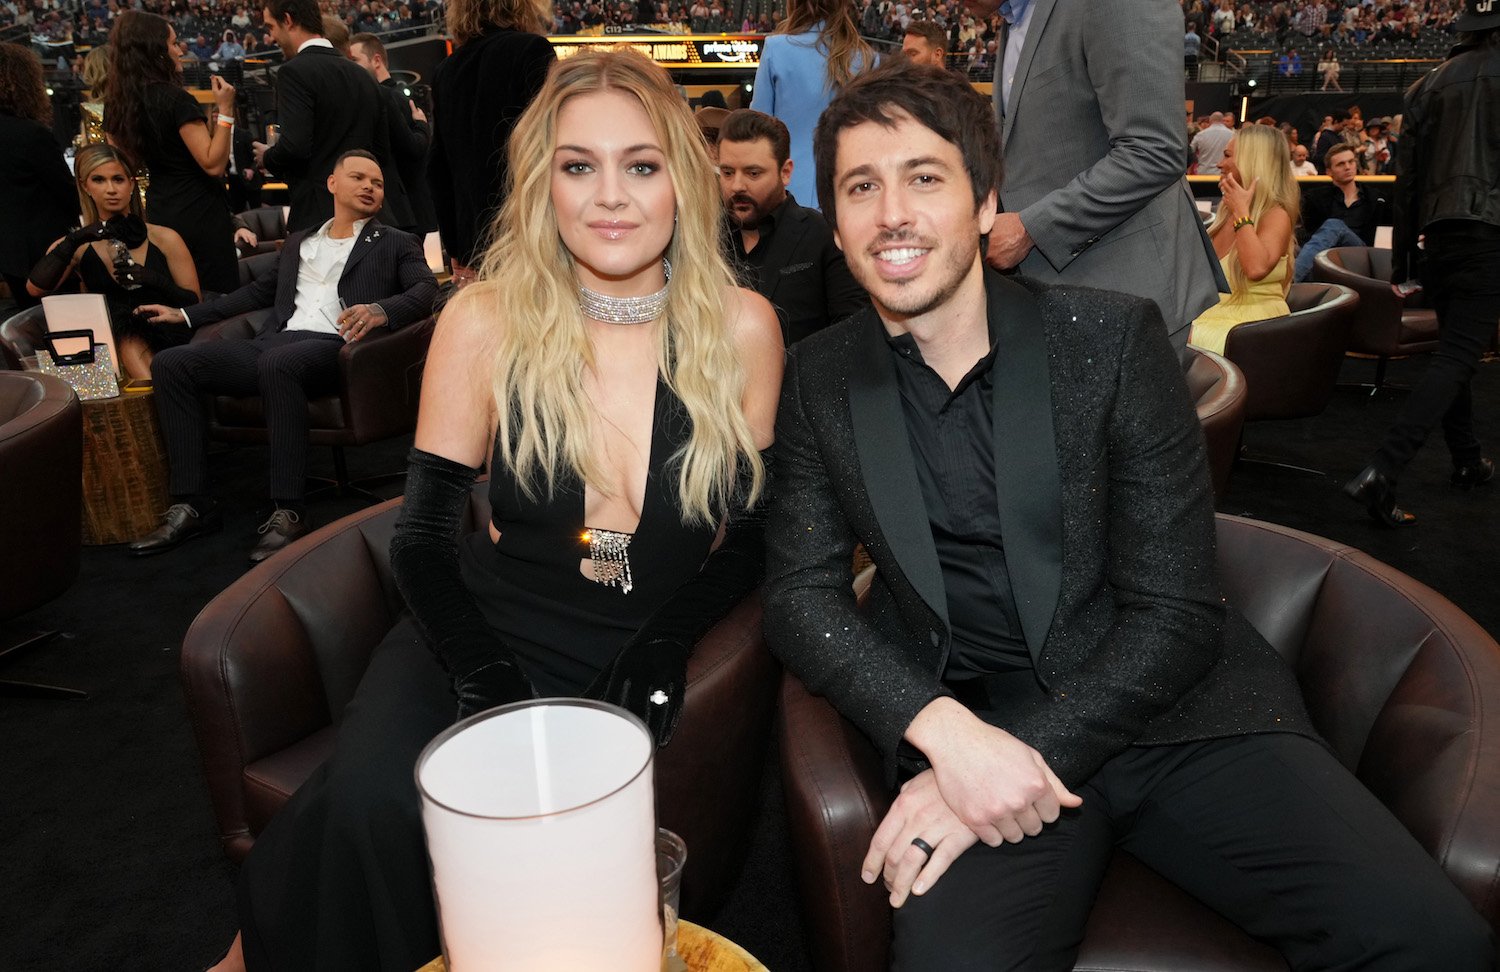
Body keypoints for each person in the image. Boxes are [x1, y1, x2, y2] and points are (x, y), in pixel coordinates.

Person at [764, 59, 1494, 971]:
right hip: (975, 724)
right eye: (861, 187)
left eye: (924, 178)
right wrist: (946, 735)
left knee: (1435, 946)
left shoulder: (1108, 340)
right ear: (834, 225)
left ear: (986, 203)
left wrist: (1017, 757)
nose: (892, 213)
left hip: (1178, 716)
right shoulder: (821, 377)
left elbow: (1179, 614)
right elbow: (800, 596)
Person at [205, 50, 781, 972]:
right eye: (576, 166)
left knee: (519, 871)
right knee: (373, 805)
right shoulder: (487, 321)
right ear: (540, 185)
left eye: (641, 164)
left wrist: (670, 639)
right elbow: (427, 536)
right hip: (473, 633)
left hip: (625, 653)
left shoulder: (744, 327)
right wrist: (477, 669)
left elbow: (750, 535)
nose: (611, 196)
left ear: (683, 179)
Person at [128, 152, 438, 563]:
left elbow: (425, 290)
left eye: (377, 183)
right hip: (278, 341)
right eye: (358, 177)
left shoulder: (397, 242)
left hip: (339, 347)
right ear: (332, 184)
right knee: (173, 363)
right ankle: (193, 504)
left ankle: (289, 510)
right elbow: (256, 293)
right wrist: (186, 314)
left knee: (279, 365)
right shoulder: (301, 241)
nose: (368, 187)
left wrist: (380, 310)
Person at [977, 0, 1223, 348]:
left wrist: (1029, 228)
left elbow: (1154, 150)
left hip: (1130, 299)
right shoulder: (1012, 19)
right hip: (1060, 306)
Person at [1343, 2, 1500, 528]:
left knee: (1453, 348)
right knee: (1457, 355)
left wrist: (1406, 262)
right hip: (1489, 235)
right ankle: (1383, 470)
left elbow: (1405, 188)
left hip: (1440, 240)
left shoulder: (1424, 88)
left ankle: (1466, 460)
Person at [26, 144, 201, 378]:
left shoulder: (165, 238)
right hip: (104, 345)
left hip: (167, 333)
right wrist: (75, 239)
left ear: (131, 184)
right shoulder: (77, 246)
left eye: (118, 179)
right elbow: (35, 288)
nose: (111, 189)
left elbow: (194, 303)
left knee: (132, 340)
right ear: (85, 186)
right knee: (127, 340)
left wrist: (154, 280)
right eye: (99, 180)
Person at [103, 11, 241, 296]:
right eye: (174, 43)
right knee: (216, 299)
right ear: (156, 51)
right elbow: (213, 164)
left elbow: (124, 165)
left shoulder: (116, 105)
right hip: (201, 213)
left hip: (161, 212)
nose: (180, 50)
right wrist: (226, 111)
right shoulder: (176, 99)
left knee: (179, 298)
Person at [427, 0, 555, 284]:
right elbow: (550, 143)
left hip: (475, 242)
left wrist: (457, 244)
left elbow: (438, 167)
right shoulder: (532, 50)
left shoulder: (446, 70)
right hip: (528, 229)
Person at [716, 108, 867, 345]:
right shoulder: (703, 237)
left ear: (785, 172)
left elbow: (853, 332)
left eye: (753, 173)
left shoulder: (823, 235)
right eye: (727, 172)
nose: (737, 186)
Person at [252, 0, 387, 233]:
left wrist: (268, 157)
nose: (271, 37)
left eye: (270, 27)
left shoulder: (294, 72)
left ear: (288, 20)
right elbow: (381, 148)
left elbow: (295, 147)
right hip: (369, 216)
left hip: (319, 219)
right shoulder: (363, 76)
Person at [750, 0, 873, 210]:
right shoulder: (868, 58)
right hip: (854, 193)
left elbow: (757, 132)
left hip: (789, 195)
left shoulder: (776, 49)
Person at [1188, 125, 1297, 354]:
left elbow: (1256, 268)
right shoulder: (1226, 213)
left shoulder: (1276, 214)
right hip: (1217, 316)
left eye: (1227, 155)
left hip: (1250, 328)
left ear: (1251, 161)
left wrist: (1241, 212)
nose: (1219, 163)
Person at [0, 42, 75, 310]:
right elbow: (67, 192)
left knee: (30, 325)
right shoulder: (32, 134)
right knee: (64, 325)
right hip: (46, 253)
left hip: (9, 253)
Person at [349, 32, 438, 235]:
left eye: (355, 60)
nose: (351, 67)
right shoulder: (383, 97)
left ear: (377, 60)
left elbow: (411, 149)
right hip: (400, 208)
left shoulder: (390, 98)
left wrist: (422, 128)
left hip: (407, 208)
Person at [1293, 141, 1383, 281]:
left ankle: (1290, 283)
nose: (1348, 167)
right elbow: (1306, 235)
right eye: (1341, 164)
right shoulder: (1316, 198)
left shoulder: (1375, 198)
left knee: (1334, 226)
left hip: (1359, 255)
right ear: (1329, 171)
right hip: (1324, 256)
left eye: (1351, 162)